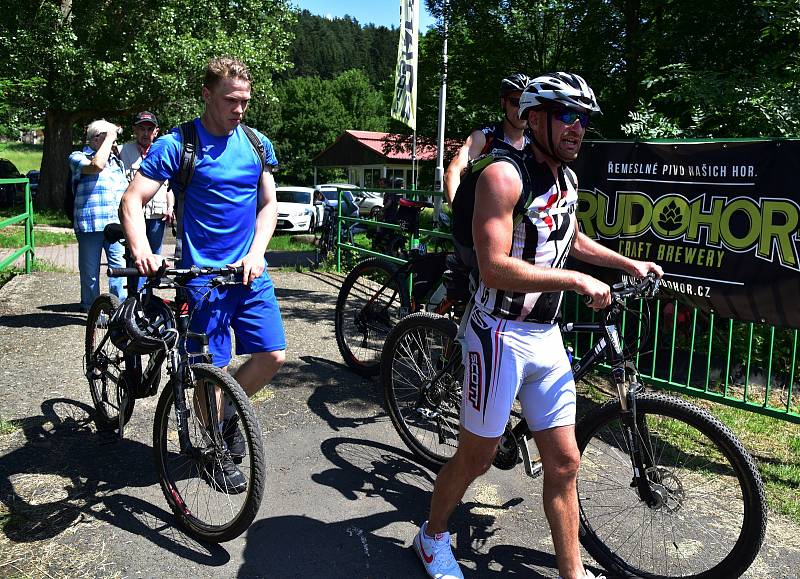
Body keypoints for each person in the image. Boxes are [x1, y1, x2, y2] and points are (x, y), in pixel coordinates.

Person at [412, 72, 664, 579]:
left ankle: (572, 574)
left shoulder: (566, 178)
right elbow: (493, 265)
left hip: (545, 336)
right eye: (568, 115)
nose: (579, 128)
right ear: (535, 117)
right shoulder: (501, 177)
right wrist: (574, 282)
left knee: (565, 462)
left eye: (584, 119)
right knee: (476, 458)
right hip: (498, 334)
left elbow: (570, 239)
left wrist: (626, 264)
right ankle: (431, 536)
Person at [119, 56, 286, 493]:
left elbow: (268, 205)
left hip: (249, 272)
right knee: (209, 369)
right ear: (207, 94)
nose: (239, 109)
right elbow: (132, 201)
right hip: (201, 276)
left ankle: (228, 417)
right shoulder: (178, 144)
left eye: (245, 101)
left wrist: (257, 252)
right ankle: (212, 445)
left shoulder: (254, 142)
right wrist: (142, 250)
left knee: (272, 356)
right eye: (231, 100)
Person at [443, 73, 531, 204]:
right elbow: (452, 173)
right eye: (515, 102)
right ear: (503, 103)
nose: (520, 110)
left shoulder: (535, 142)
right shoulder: (484, 136)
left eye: (526, 103)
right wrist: (459, 214)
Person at [68, 119, 128, 312]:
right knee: (90, 271)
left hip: (115, 225)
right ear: (95, 139)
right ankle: (92, 309)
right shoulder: (78, 156)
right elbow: (96, 166)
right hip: (89, 224)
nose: (114, 142)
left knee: (119, 269)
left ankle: (119, 310)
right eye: (108, 138)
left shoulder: (116, 161)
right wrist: (110, 136)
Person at [119, 111, 175, 257]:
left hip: (157, 214)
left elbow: (169, 186)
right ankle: (133, 281)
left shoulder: (164, 151)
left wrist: (170, 207)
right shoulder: (122, 150)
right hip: (134, 213)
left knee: (155, 255)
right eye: (142, 128)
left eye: (150, 129)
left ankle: (153, 281)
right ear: (134, 130)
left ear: (156, 131)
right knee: (133, 255)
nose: (145, 133)